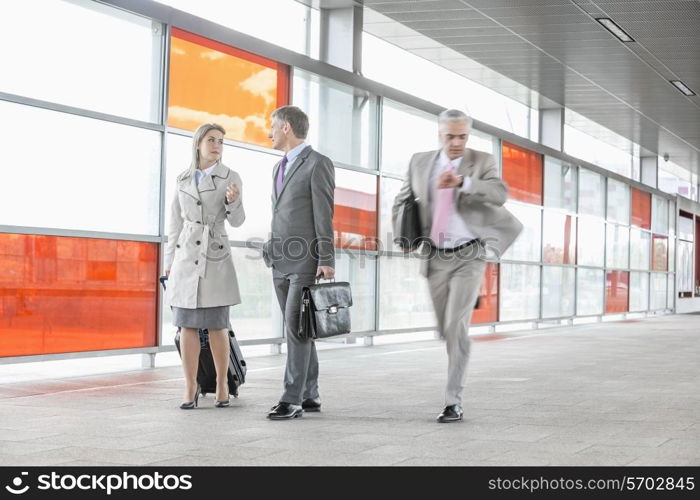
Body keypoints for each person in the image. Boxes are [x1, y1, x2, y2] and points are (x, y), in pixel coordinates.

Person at [392, 109, 522, 423]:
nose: (456, 142)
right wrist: (403, 236)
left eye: (462, 136)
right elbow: (402, 199)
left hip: (469, 254)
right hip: (436, 256)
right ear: (440, 134)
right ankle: (455, 335)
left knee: (456, 327)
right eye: (450, 136)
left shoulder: (482, 161)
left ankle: (453, 401)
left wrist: (463, 181)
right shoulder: (420, 162)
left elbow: (500, 193)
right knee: (444, 329)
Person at [164, 123, 245, 410]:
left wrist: (233, 203)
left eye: (221, 141)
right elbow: (174, 225)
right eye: (212, 140)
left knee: (216, 325)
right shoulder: (182, 178)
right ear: (198, 143)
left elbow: (237, 221)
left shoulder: (229, 177)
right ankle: (190, 385)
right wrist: (168, 266)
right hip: (186, 257)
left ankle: (222, 383)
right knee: (186, 324)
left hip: (215, 255)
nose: (217, 146)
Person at [262, 105, 335, 420]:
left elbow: (324, 214)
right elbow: (280, 213)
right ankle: (310, 395)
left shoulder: (317, 164)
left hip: (305, 260)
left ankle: (291, 398)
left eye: (273, 127)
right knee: (301, 328)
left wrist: (326, 258)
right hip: (279, 259)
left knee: (296, 328)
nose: (270, 133)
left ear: (286, 128)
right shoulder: (278, 168)